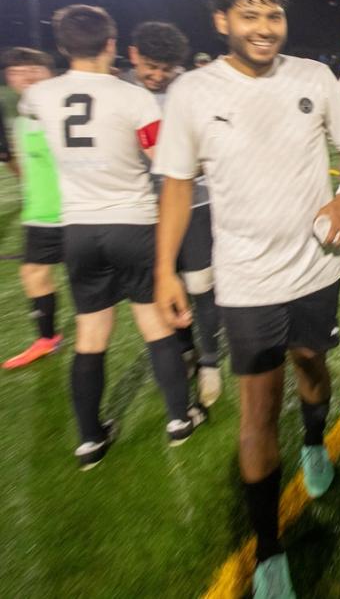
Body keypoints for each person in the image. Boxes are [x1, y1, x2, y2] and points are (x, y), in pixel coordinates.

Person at [153, 0, 340, 598]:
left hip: (315, 268)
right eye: (250, 15)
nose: (264, 28)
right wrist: (165, 269)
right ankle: (270, 551)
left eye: (273, 15)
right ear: (223, 22)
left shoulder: (314, 76)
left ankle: (314, 440)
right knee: (256, 412)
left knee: (312, 367)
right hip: (244, 281)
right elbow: (175, 186)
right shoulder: (191, 90)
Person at [20, 5, 206, 469]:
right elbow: (164, 159)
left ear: (62, 47)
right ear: (111, 44)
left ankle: (89, 440)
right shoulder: (132, 97)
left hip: (78, 227)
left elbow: (35, 132)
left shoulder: (39, 95)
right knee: (154, 325)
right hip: (133, 220)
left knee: (90, 334)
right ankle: (179, 418)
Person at [126, 21, 224, 405]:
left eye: (166, 68)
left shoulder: (194, 88)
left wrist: (193, 165)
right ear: (133, 55)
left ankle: (211, 361)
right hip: (146, 208)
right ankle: (184, 350)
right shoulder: (122, 92)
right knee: (167, 285)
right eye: (151, 66)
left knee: (201, 283)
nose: (158, 75)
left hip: (196, 201)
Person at [2, 47, 63, 370]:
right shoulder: (23, 118)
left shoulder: (60, 109)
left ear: (48, 72)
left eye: (33, 68)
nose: (24, 75)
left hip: (77, 210)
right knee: (33, 272)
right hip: (41, 213)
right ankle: (47, 337)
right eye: (16, 71)